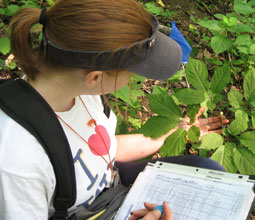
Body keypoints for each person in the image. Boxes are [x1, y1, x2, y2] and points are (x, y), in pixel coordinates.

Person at [0, 0, 228, 219]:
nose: (133, 78)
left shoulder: (76, 88)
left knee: (207, 171)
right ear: (95, 77)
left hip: (112, 191)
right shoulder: (17, 159)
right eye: (133, 71)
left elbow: (105, 150)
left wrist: (172, 134)